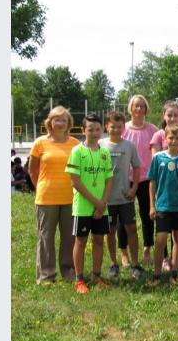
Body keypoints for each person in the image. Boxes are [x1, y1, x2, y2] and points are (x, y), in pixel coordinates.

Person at [29, 106, 80, 285]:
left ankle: (68, 270)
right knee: (46, 237)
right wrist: (41, 187)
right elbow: (32, 170)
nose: (60, 123)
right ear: (50, 122)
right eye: (56, 119)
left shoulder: (75, 144)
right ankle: (46, 275)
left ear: (68, 123)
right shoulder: (40, 143)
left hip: (70, 198)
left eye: (63, 120)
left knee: (69, 237)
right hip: (46, 198)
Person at [65, 114, 114, 294]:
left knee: (99, 240)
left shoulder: (104, 152)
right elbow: (75, 181)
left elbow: (109, 179)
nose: (94, 133)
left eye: (97, 129)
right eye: (90, 129)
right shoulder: (77, 151)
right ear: (83, 130)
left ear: (102, 130)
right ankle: (79, 280)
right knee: (81, 241)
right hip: (83, 207)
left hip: (102, 206)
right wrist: (96, 203)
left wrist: (103, 203)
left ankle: (96, 276)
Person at [147, 124, 178, 286]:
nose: (174, 141)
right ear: (165, 139)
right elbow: (152, 182)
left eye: (177, 138)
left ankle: (175, 272)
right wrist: (152, 206)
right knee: (160, 240)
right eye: (171, 138)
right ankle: (156, 274)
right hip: (162, 206)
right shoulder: (158, 158)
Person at [99, 111, 144, 280]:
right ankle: (113, 263)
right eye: (113, 126)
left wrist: (134, 188)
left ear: (124, 127)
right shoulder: (100, 145)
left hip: (125, 197)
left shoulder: (129, 145)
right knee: (110, 231)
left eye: (119, 127)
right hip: (107, 199)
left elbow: (137, 167)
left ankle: (135, 264)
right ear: (107, 127)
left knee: (131, 229)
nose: (116, 130)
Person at [121, 95, 159, 268]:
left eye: (142, 106)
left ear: (146, 109)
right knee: (124, 218)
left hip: (146, 179)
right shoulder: (123, 128)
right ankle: (124, 253)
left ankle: (147, 249)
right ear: (131, 108)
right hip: (125, 179)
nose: (138, 109)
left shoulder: (152, 129)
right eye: (136, 105)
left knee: (147, 216)